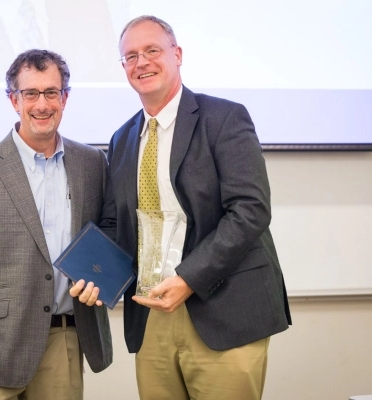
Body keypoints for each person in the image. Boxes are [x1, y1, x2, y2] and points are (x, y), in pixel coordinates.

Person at [71, 15, 292, 400]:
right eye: (130, 56)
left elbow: (250, 209)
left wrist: (188, 278)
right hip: (152, 312)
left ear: (177, 54)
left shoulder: (223, 118)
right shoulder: (122, 139)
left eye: (152, 50)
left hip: (223, 311)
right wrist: (91, 273)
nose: (142, 62)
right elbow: (114, 223)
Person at [0, 49, 112, 400]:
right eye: (30, 93)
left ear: (65, 98)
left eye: (51, 92)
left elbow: (107, 233)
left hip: (65, 336)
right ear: (13, 100)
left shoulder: (93, 164)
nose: (42, 104)